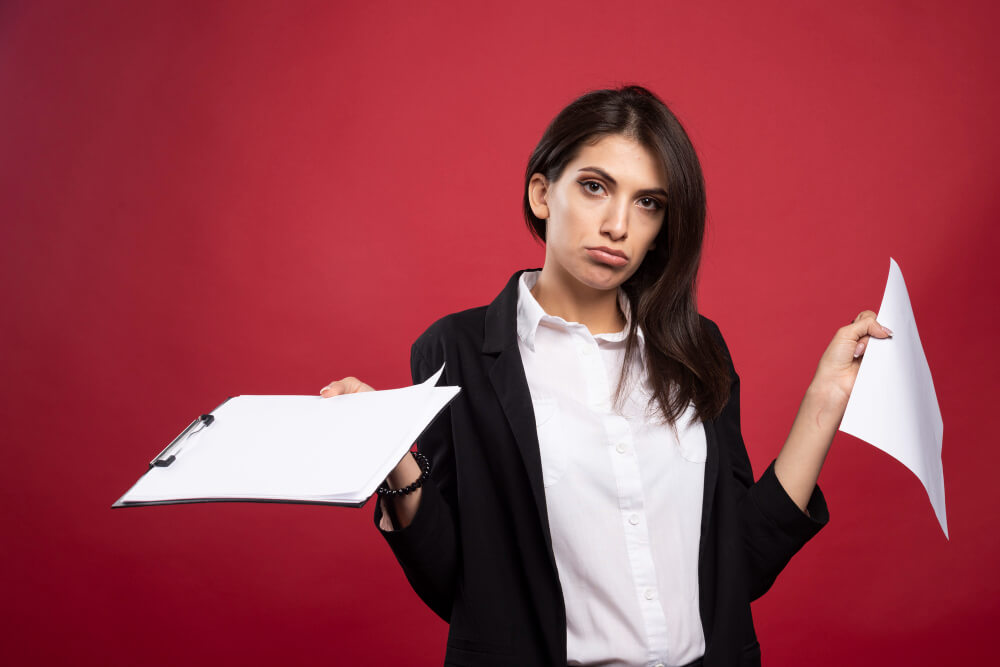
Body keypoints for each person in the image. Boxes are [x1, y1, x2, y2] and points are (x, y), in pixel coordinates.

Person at [320, 85, 892, 667]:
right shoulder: (456, 351)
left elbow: (738, 562)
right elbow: (461, 587)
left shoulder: (697, 348)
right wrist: (396, 459)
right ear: (542, 193)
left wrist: (826, 398)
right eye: (595, 187)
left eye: (649, 203)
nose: (619, 225)